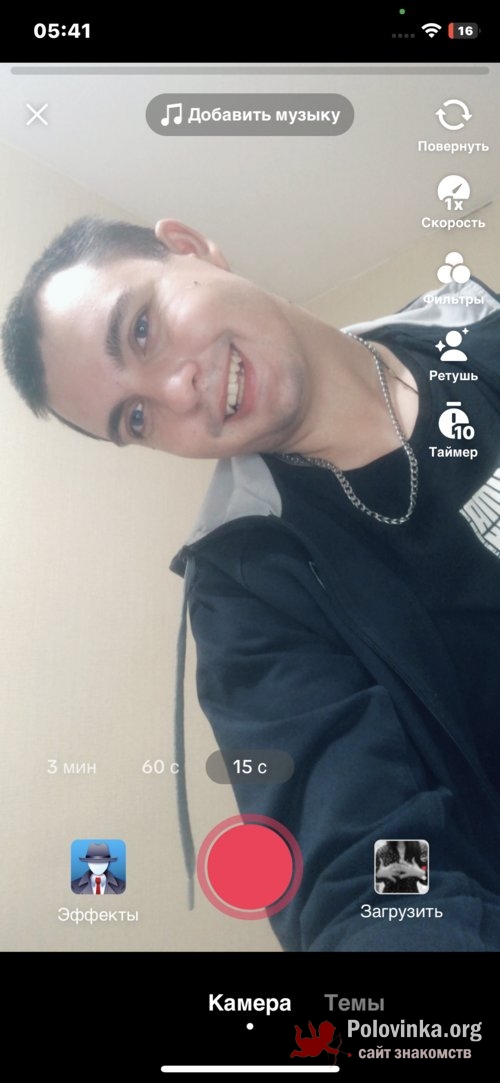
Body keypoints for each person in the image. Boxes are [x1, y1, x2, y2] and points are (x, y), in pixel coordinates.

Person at [3, 216, 500, 952]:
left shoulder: (476, 333)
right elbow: (363, 872)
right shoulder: (245, 597)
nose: (177, 392)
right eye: (136, 417)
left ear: (190, 247)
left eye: (141, 329)